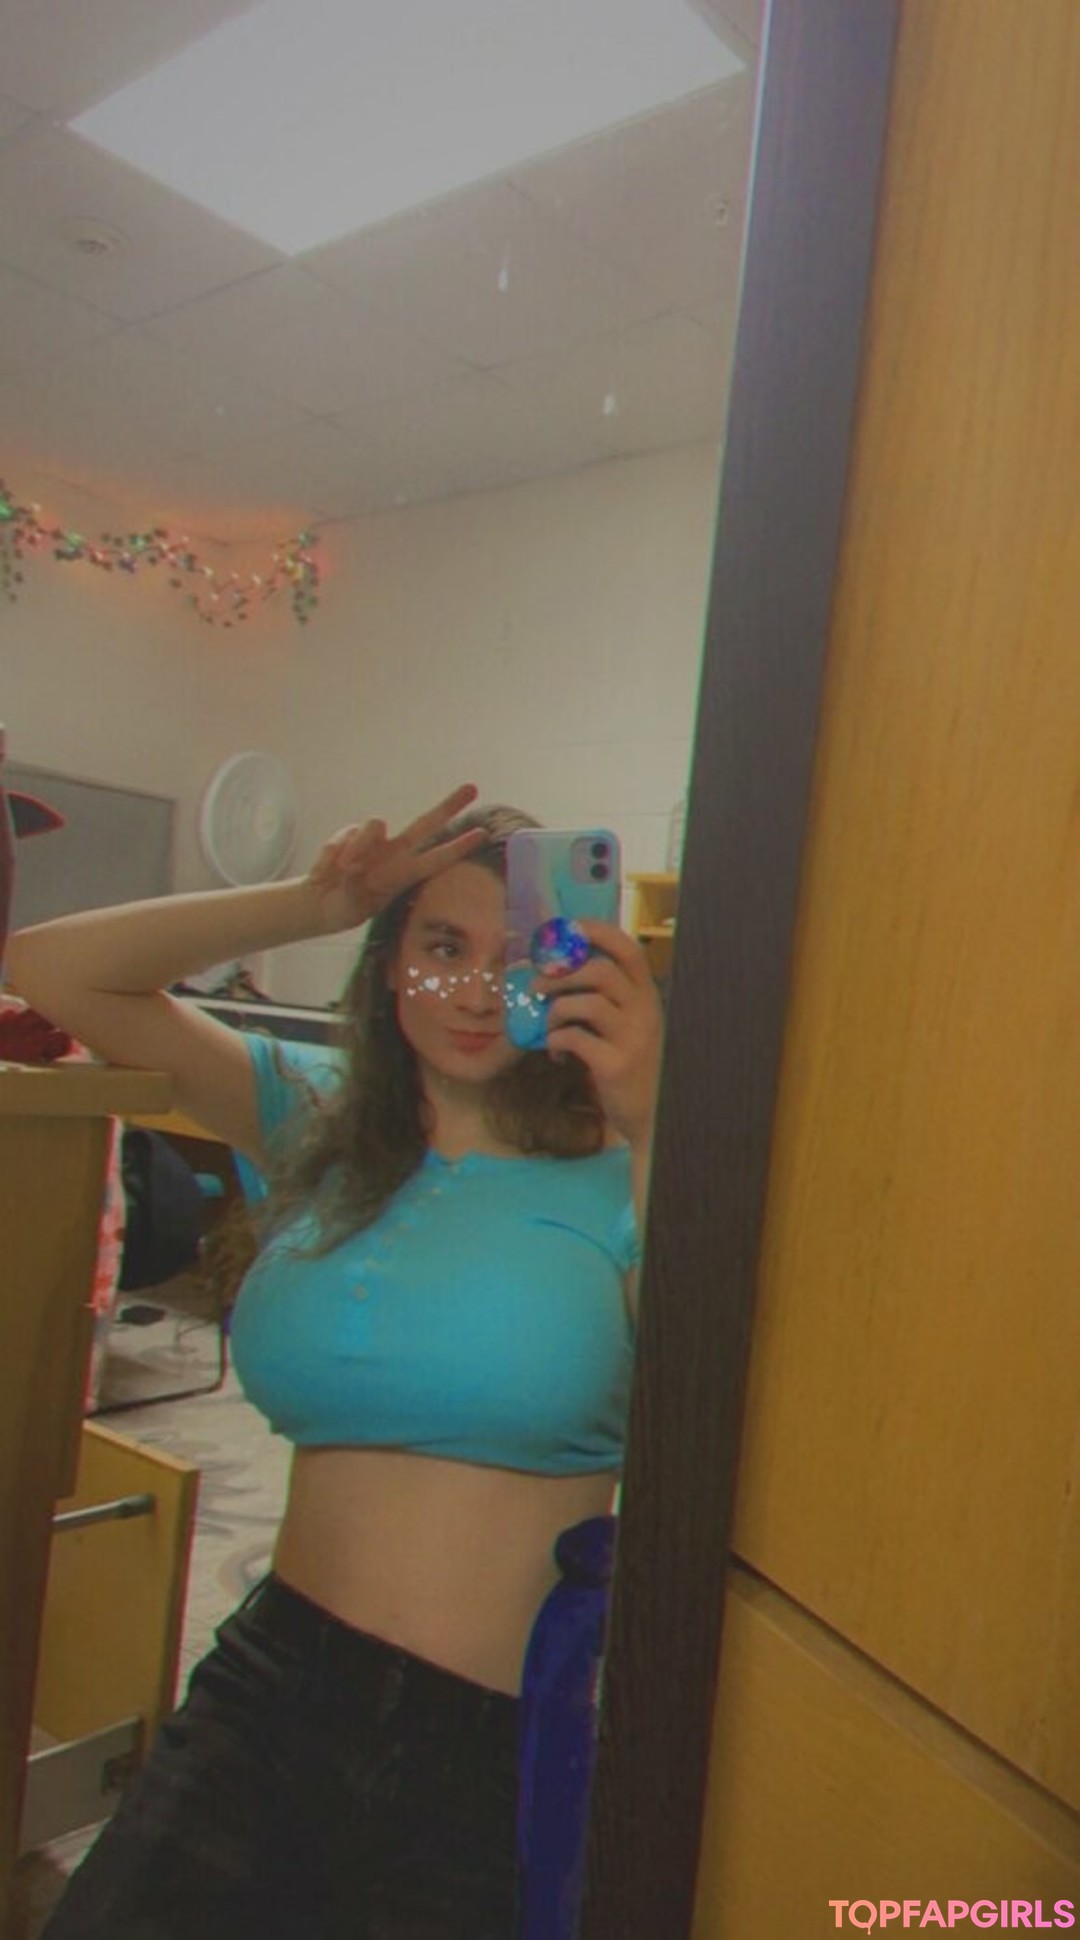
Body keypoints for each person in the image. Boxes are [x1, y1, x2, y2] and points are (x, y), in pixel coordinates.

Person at [8, 782, 662, 1940]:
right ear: (389, 959)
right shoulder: (314, 1118)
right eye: (441, 945)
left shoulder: (628, 1167)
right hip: (267, 1688)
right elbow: (54, 970)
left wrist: (656, 1117)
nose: (474, 989)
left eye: (514, 957)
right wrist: (312, 901)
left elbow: (708, 1405)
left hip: (497, 1739)